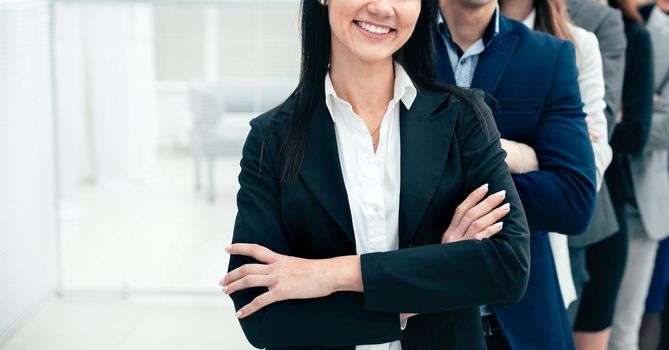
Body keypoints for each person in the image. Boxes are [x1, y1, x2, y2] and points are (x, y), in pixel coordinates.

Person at [221, 0, 531, 349]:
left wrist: (328, 274)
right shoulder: (272, 138)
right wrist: (431, 278)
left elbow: (508, 266)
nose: (383, 7)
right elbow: (259, 314)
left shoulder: (465, 118)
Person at [435, 0, 597, 348]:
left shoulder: (547, 55)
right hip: (427, 317)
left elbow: (574, 199)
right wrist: (522, 158)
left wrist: (449, 181)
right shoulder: (398, 43)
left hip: (526, 321)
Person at [501, 0, 612, 315]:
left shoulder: (575, 45)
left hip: (539, 257)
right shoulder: (438, 36)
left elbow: (587, 170)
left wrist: (519, 155)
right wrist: (546, 154)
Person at [609, 0, 669, 348]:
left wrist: (631, 116)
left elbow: (654, 129)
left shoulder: (644, 30)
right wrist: (649, 103)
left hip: (640, 201)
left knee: (626, 320)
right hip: (598, 194)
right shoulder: (618, 19)